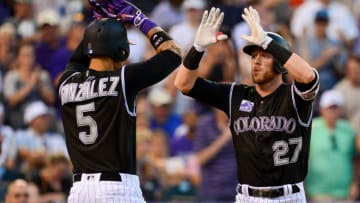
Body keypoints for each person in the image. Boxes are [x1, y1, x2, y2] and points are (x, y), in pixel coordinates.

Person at [174, 6, 320, 203]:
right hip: (247, 197)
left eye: (264, 55)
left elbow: (308, 76)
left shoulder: (293, 96)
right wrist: (197, 48)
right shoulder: (235, 94)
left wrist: (268, 43)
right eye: (254, 56)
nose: (256, 61)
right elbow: (183, 83)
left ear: (279, 63)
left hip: (289, 197)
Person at [57, 0, 181, 202]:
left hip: (79, 191)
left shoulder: (66, 82)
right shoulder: (123, 79)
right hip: (116, 189)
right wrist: (140, 19)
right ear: (121, 50)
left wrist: (98, 26)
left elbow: (79, 57)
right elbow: (173, 54)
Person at [305, 90, 358, 202]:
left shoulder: (349, 130)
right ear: (322, 109)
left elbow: (355, 159)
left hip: (345, 193)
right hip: (317, 192)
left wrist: (355, 183)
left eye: (336, 108)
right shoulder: (311, 129)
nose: (333, 112)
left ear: (340, 110)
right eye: (329, 108)